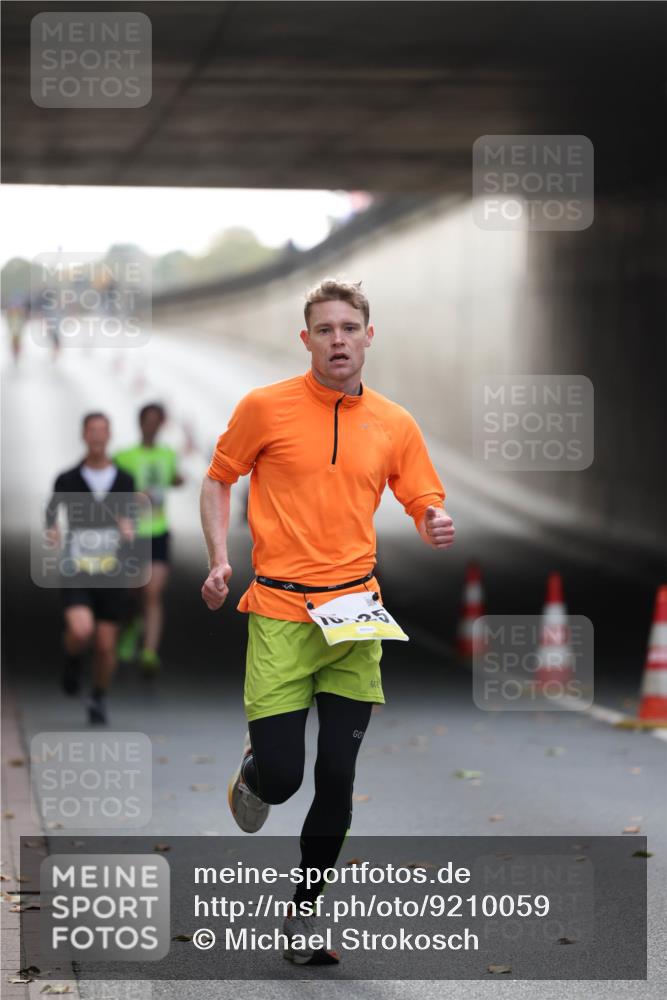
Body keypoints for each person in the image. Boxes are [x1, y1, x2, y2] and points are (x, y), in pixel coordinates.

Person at [200, 278, 455, 966]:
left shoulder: (394, 422)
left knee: (336, 776)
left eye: (349, 327)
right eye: (324, 328)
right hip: (280, 611)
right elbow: (219, 477)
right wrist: (221, 559)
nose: (337, 339)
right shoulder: (265, 408)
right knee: (286, 777)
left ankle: (304, 916)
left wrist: (431, 516)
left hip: (353, 614)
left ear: (368, 336)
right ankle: (255, 774)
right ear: (305, 338)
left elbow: (420, 491)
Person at [46, 413, 137, 725]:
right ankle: (72, 660)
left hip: (112, 571)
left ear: (109, 435)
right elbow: (51, 513)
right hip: (77, 567)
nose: (97, 436)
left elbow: (132, 519)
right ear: (84, 435)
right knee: (81, 629)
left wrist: (128, 529)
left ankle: (98, 695)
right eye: (92, 430)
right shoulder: (67, 478)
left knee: (105, 644)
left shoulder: (124, 480)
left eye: (102, 430)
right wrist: (53, 531)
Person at [114, 403, 183, 674]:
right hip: (132, 534)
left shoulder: (168, 454)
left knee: (153, 593)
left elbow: (174, 478)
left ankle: (149, 653)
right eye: (147, 420)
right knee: (134, 592)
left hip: (159, 531)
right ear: (140, 423)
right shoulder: (124, 456)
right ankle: (131, 627)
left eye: (157, 421)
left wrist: (177, 480)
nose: (151, 425)